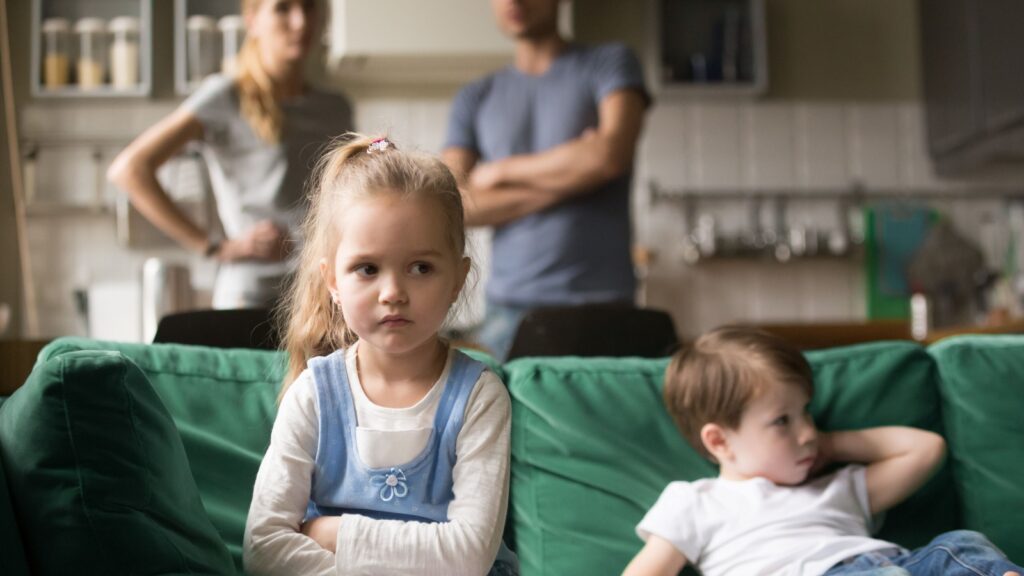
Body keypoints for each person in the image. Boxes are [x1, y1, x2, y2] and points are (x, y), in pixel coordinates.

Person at [244, 134, 517, 576]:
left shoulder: (479, 398)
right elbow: (264, 546)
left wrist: (335, 534)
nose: (393, 293)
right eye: (367, 269)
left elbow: (468, 556)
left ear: (457, 279)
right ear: (332, 280)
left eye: (421, 268)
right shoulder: (313, 394)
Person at [623, 326, 1023, 576]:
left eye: (807, 413)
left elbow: (925, 449)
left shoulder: (839, 488)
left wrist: (833, 445)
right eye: (783, 421)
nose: (808, 432)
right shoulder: (695, 502)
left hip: (896, 565)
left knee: (959, 546)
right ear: (719, 441)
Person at [108, 0, 353, 309]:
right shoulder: (225, 97)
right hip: (252, 297)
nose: (300, 22)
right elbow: (130, 170)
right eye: (282, 8)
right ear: (252, 20)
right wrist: (215, 247)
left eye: (308, 7)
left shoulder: (336, 108)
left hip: (322, 295)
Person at [442, 0, 650, 359]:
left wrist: (500, 172)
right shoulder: (475, 96)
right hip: (507, 314)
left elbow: (611, 155)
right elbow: (451, 203)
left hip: (603, 310)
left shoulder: (610, 62)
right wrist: (577, 176)